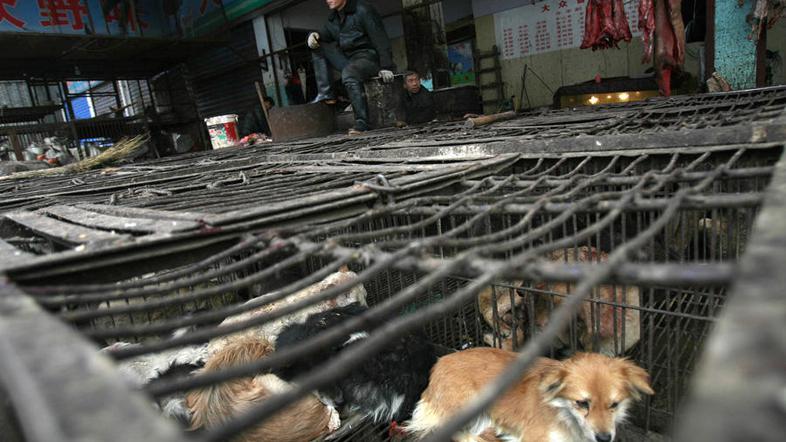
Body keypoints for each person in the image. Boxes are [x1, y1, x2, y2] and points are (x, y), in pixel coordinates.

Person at [307, 0, 396, 135]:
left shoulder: (363, 10)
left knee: (349, 73)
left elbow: (380, 37)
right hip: (349, 60)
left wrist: (386, 66)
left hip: (369, 58)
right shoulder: (333, 19)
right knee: (316, 44)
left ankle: (362, 123)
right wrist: (313, 35)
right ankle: (326, 93)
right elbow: (323, 34)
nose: (328, 0)